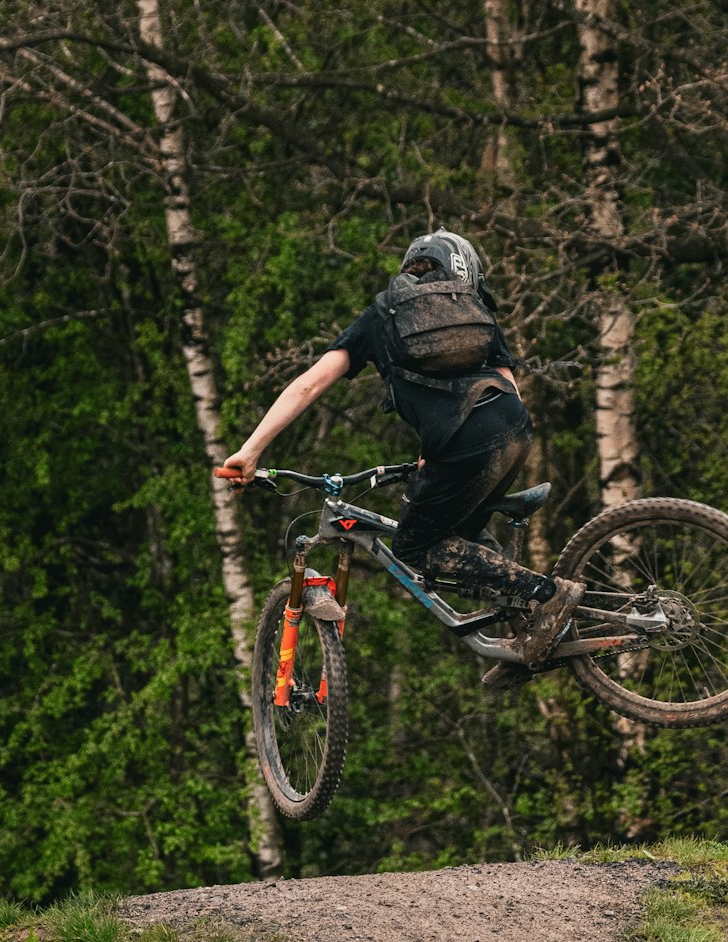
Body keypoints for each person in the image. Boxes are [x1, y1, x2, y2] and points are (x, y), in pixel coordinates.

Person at [222, 228, 583, 687]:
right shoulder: (475, 311)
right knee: (457, 537)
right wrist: (447, 453)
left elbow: (311, 383)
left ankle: (547, 595)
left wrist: (251, 450)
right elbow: (507, 385)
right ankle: (528, 640)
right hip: (513, 427)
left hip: (463, 443)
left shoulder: (383, 314)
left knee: (416, 548)